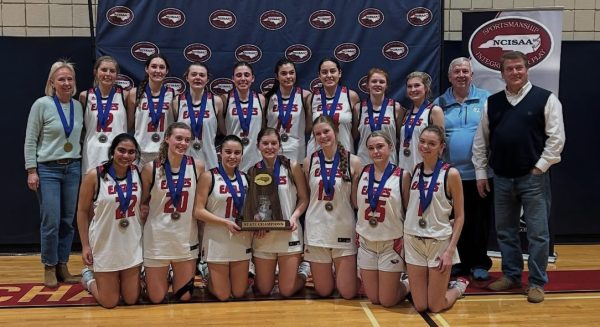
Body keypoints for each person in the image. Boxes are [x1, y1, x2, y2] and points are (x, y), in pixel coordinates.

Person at [472, 51, 566, 303]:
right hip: (501, 178)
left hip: (533, 178)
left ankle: (536, 282)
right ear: (502, 73)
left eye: (519, 68)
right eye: (509, 69)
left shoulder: (546, 99)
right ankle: (511, 275)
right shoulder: (491, 103)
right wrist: (481, 172)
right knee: (505, 232)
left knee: (537, 234)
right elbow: (481, 142)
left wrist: (540, 167)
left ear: (527, 69)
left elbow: (557, 139)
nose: (515, 72)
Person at [24, 59, 84, 287]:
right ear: (52, 82)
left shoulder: (78, 106)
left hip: (73, 168)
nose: (66, 83)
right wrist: (32, 170)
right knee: (51, 220)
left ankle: (63, 264)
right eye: (62, 79)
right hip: (48, 169)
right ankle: (49, 265)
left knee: (68, 221)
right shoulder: (41, 104)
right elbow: (30, 140)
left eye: (70, 79)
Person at [433, 57, 493, 281]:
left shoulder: (486, 99)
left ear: (472, 75)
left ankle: (479, 262)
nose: (461, 75)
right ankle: (458, 262)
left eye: (465, 71)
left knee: (479, 220)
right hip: (451, 175)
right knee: (454, 220)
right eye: (456, 71)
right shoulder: (440, 102)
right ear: (449, 76)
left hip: (480, 174)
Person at [404, 125, 467, 313]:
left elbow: (460, 216)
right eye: (422, 142)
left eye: (431, 143)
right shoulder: (414, 170)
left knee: (435, 306)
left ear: (441, 147)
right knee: (421, 306)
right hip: (413, 240)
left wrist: (450, 251)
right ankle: (413, 283)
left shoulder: (451, 174)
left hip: (438, 243)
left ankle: (458, 288)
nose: (425, 146)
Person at [140, 122, 205, 303]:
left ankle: (169, 275)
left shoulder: (197, 167)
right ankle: (152, 277)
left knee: (184, 297)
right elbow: (142, 204)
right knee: (156, 298)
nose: (183, 143)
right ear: (167, 138)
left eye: (187, 140)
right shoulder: (150, 169)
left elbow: (200, 207)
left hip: (185, 239)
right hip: (157, 239)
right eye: (178, 138)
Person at [77, 134, 143, 308]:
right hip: (105, 241)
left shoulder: (139, 172)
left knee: (131, 299)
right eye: (121, 150)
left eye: (131, 152)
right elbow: (82, 212)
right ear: (112, 151)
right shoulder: (94, 175)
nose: (126, 155)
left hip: (130, 241)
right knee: (109, 301)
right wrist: (85, 246)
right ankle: (89, 279)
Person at [303, 115, 362, 299]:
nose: (322, 136)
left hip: (343, 227)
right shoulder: (308, 162)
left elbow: (356, 202)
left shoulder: (354, 161)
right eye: (317, 134)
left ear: (336, 131)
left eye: (326, 131)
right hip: (316, 229)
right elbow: (307, 197)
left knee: (347, 293)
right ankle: (308, 271)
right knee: (324, 291)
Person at [251, 128, 310, 297]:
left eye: (274, 143)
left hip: (289, 232)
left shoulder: (292, 166)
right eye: (265, 143)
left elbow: (304, 198)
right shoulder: (253, 170)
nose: (269, 147)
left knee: (286, 290)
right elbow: (251, 204)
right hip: (264, 234)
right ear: (258, 146)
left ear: (279, 145)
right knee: (263, 290)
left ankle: (304, 271)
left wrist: (294, 217)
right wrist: (256, 219)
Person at [193, 135, 252, 301]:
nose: (232, 156)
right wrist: (225, 222)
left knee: (239, 292)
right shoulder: (208, 177)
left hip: (241, 238)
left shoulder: (246, 178)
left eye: (237, 153)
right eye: (228, 152)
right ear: (220, 153)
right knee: (223, 295)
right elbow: (198, 211)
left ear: (242, 155)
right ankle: (207, 275)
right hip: (216, 237)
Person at [355, 131, 410, 307]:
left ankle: (409, 284)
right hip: (366, 242)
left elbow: (408, 210)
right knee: (374, 299)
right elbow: (355, 204)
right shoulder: (362, 173)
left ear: (391, 147)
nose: (375, 151)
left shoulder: (403, 175)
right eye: (371, 148)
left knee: (387, 301)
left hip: (390, 243)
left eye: (380, 146)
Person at [80, 56, 128, 174]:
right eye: (104, 69)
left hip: (117, 151)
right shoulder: (84, 96)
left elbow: (130, 124)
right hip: (92, 152)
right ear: (96, 72)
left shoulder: (125, 96)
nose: (108, 73)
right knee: (92, 190)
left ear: (117, 75)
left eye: (112, 71)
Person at [127, 54, 176, 166]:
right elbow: (129, 125)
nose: (157, 70)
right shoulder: (134, 93)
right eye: (154, 66)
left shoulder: (173, 95)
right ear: (146, 69)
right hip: (140, 151)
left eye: (161, 67)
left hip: (164, 152)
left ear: (166, 71)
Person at [175, 62, 224, 170]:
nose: (198, 78)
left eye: (202, 75)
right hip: (183, 159)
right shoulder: (177, 102)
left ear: (207, 79)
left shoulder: (216, 102)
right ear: (187, 77)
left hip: (209, 160)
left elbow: (223, 131)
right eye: (194, 74)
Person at [306, 57, 360, 156]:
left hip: (344, 152)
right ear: (319, 75)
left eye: (332, 71)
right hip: (316, 153)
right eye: (324, 72)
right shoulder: (312, 98)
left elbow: (355, 131)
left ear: (339, 73)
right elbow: (309, 128)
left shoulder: (351, 96)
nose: (329, 75)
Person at [264, 59, 312, 163]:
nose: (288, 76)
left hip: (297, 149)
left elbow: (308, 127)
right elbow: (264, 127)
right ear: (277, 76)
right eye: (284, 73)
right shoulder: (268, 98)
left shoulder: (305, 96)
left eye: (291, 72)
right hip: (273, 148)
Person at [353, 68, 404, 165]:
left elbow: (400, 136)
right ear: (367, 85)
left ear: (386, 85)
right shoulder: (358, 108)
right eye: (374, 81)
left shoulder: (395, 108)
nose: (377, 84)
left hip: (389, 162)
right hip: (365, 162)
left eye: (381, 82)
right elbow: (354, 136)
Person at [223, 62, 266, 172]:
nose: (243, 78)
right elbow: (221, 128)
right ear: (233, 78)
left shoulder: (261, 99)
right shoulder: (224, 99)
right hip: (233, 156)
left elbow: (263, 127)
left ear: (253, 78)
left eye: (247, 75)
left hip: (255, 156)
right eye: (238, 75)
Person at [398, 72, 444, 172]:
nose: (413, 89)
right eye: (409, 86)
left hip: (425, 169)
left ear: (426, 88)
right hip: (404, 168)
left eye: (417, 85)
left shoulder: (434, 111)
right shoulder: (406, 113)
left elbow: (441, 144)